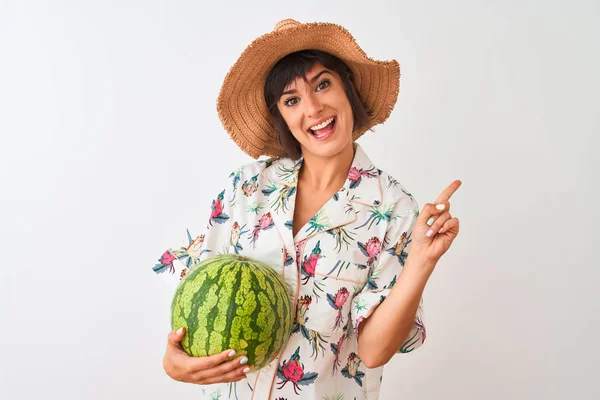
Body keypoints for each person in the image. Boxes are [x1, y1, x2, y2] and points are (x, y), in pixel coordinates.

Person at [152, 19, 461, 400]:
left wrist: (421, 263)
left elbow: (374, 351)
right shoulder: (246, 188)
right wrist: (174, 360)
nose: (313, 108)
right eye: (291, 99)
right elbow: (196, 298)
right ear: (281, 115)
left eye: (323, 84)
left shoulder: (394, 209)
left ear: (348, 89)